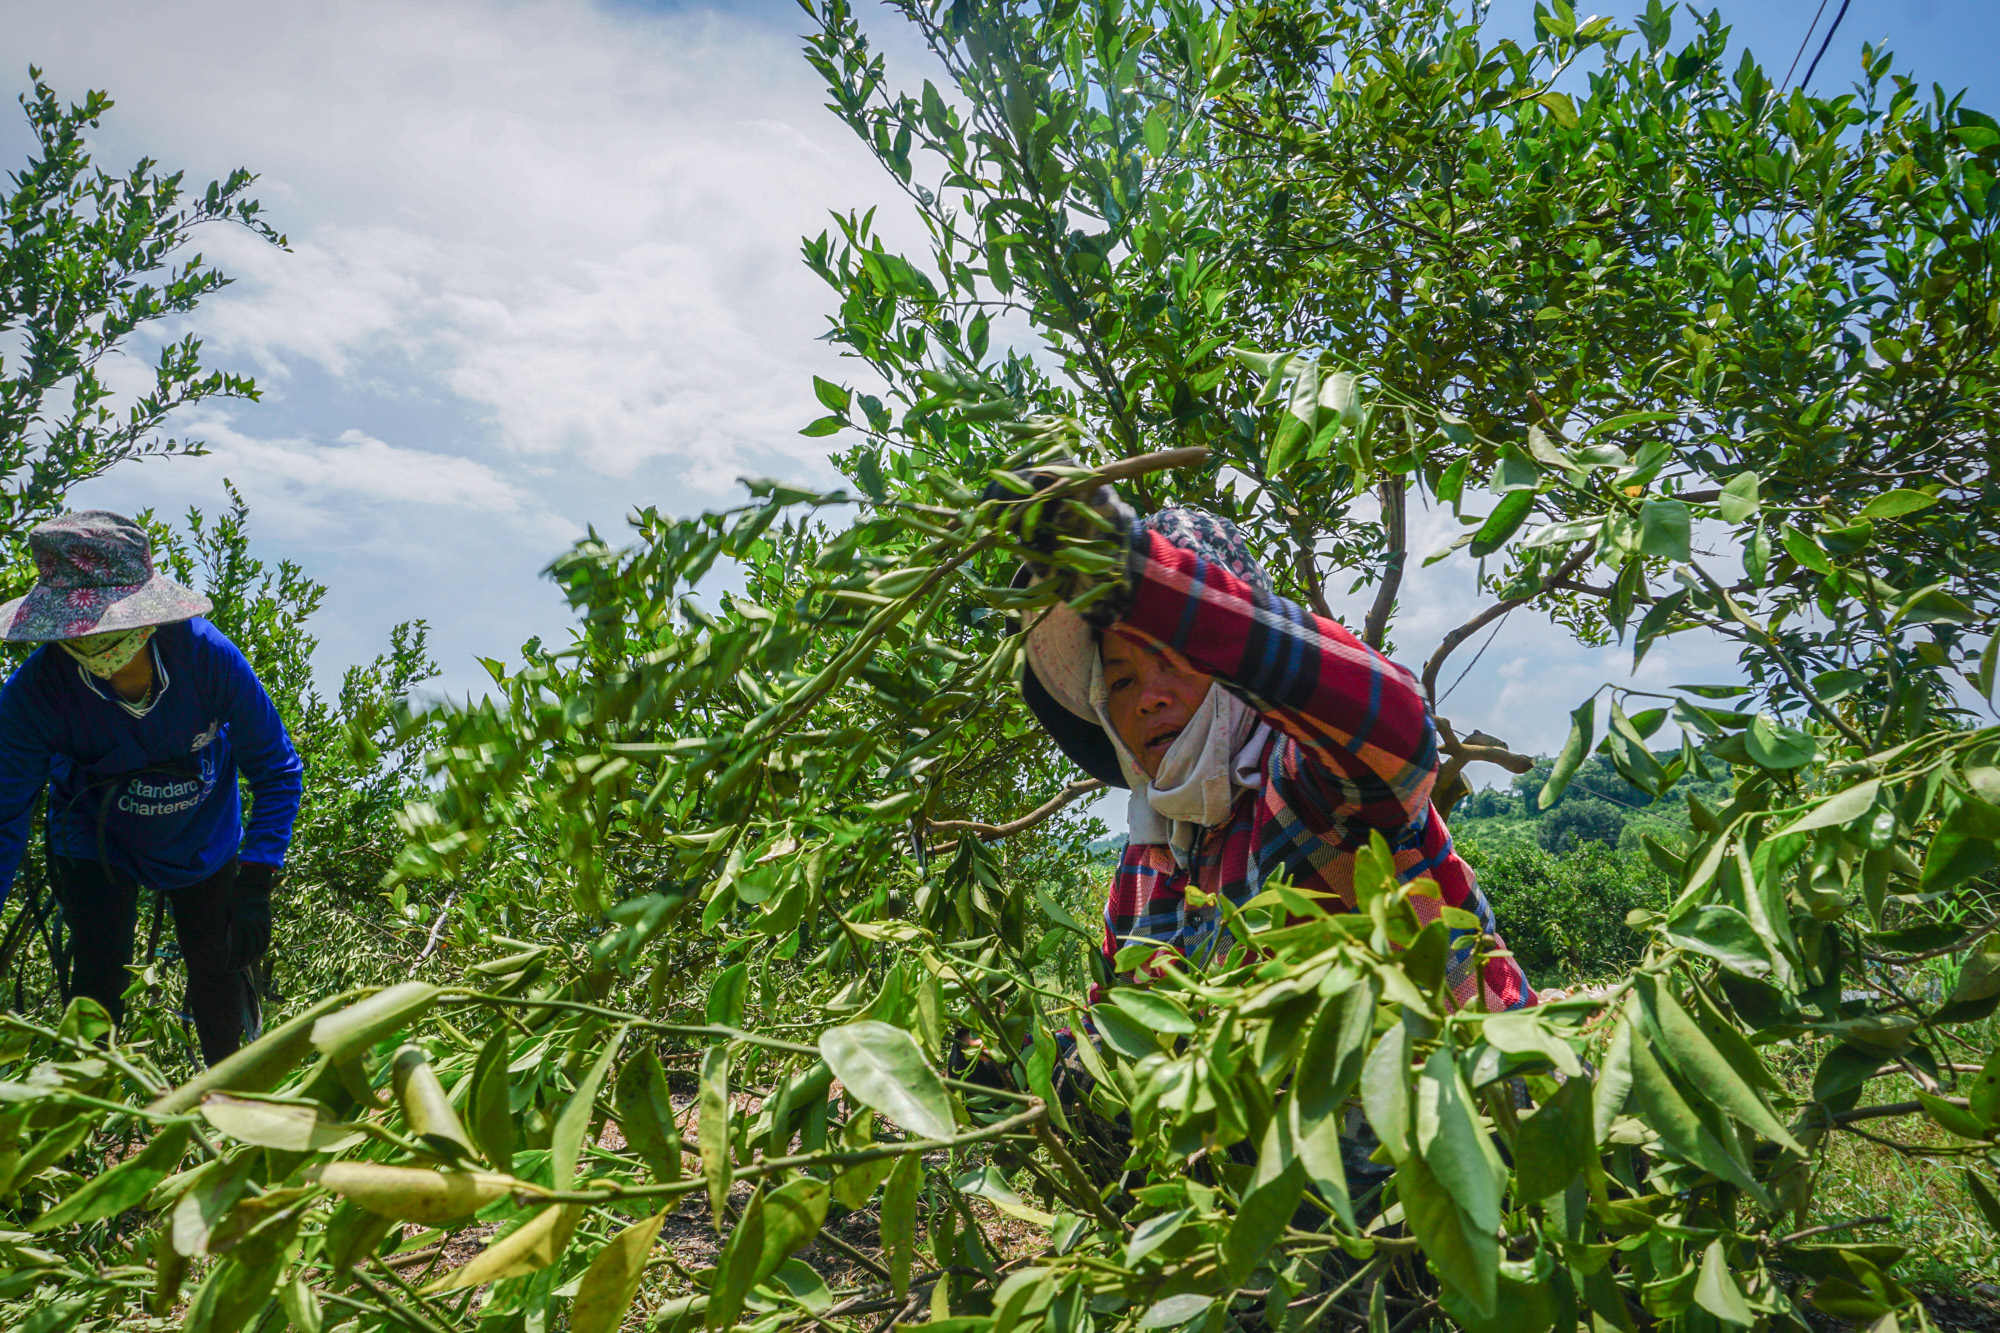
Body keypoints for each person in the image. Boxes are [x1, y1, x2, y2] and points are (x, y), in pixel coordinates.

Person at [1015, 493, 1535, 1012]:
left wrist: (1151, 581)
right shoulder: (1144, 861)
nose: (1148, 698)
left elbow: (1394, 727)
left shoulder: (1308, 781)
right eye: (1122, 680)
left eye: (1175, 658)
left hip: (1473, 1082)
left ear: (1228, 666)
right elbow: (1117, 1022)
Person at [0, 511, 303, 1064]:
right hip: (92, 834)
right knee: (97, 976)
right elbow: (4, 812)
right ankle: (85, 1113)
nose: (96, 643)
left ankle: (227, 1107)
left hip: (202, 833)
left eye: (109, 624)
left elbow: (277, 769)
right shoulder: (32, 694)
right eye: (80, 629)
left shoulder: (207, 658)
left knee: (217, 967)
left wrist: (257, 877)